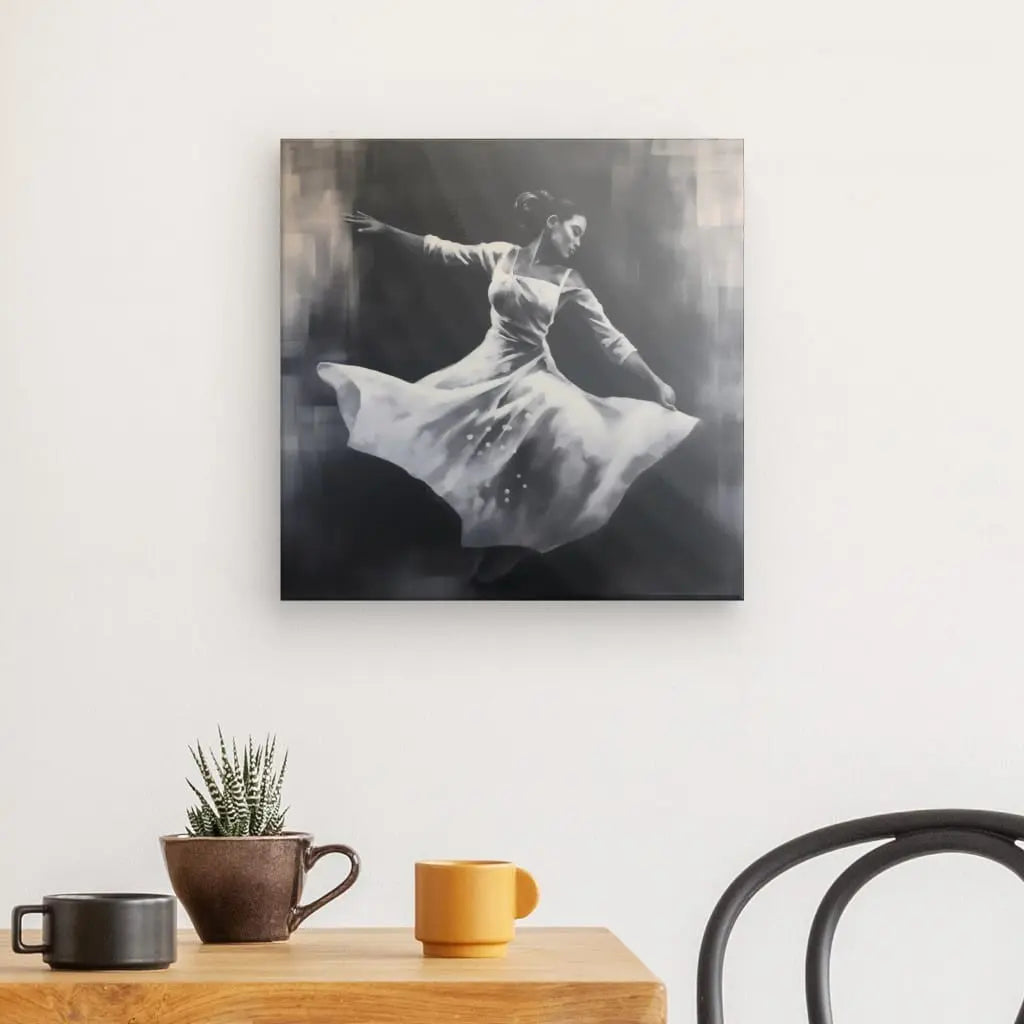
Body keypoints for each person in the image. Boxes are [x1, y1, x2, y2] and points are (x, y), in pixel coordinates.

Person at [317, 189, 699, 582]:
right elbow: (442, 250)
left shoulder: (571, 281)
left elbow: (612, 340)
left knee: (571, 439)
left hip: (533, 373)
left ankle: (512, 546)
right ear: (552, 224)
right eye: (575, 231)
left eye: (582, 236)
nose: (578, 241)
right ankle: (467, 539)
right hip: (484, 367)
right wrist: (386, 229)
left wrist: (656, 383)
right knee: (431, 426)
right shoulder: (503, 254)